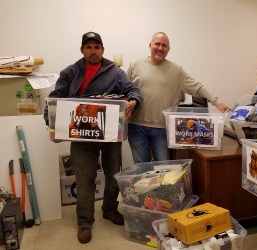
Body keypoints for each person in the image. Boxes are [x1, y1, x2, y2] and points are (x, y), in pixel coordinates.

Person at [43, 31, 143, 244]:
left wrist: (133, 100)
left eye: (97, 47)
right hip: (82, 136)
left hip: (109, 135)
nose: (93, 51)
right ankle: (85, 221)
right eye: (88, 47)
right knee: (84, 180)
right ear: (82, 50)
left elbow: (132, 89)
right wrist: (52, 124)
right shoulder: (70, 72)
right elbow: (54, 100)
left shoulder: (115, 72)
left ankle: (109, 209)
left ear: (102, 50)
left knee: (113, 175)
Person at [126, 32, 230, 163]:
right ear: (150, 45)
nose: (160, 48)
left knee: (163, 169)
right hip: (136, 127)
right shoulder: (135, 65)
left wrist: (218, 102)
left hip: (162, 129)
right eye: (157, 44)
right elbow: (125, 90)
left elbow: (197, 87)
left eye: (164, 45)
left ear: (168, 49)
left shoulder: (176, 71)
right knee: (140, 169)